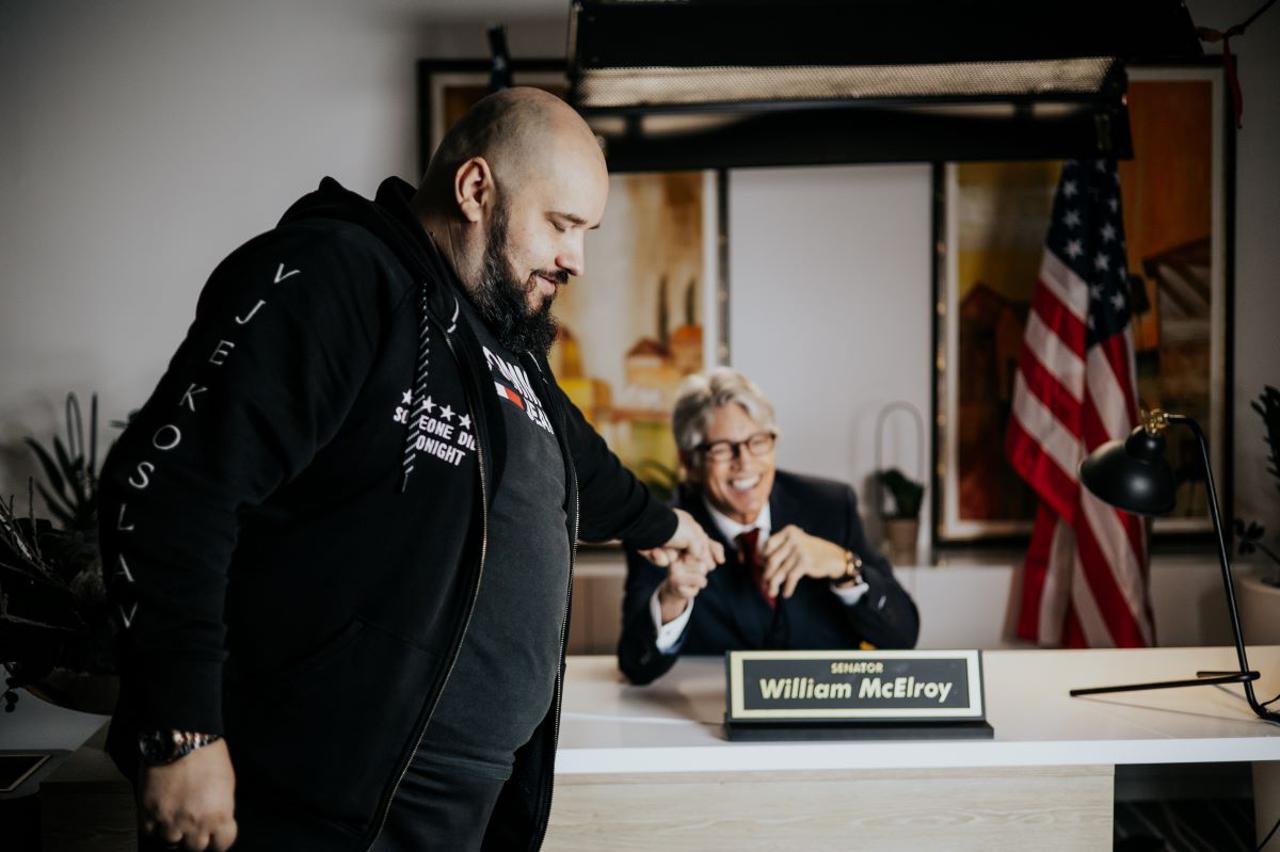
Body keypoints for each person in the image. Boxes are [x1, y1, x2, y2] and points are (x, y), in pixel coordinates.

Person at [98, 87, 723, 852]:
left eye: (586, 234)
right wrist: (180, 728)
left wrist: (667, 526)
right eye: (562, 225)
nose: (576, 260)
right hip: (315, 798)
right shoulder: (340, 276)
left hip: (467, 802)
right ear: (475, 189)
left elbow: (581, 470)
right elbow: (172, 489)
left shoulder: (500, 344)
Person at [617, 368, 920, 686]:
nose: (745, 462)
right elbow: (636, 665)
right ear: (689, 462)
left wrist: (843, 566)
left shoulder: (831, 506)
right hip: (709, 711)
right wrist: (672, 599)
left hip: (826, 709)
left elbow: (903, 635)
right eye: (722, 448)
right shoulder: (662, 529)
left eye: (757, 442)